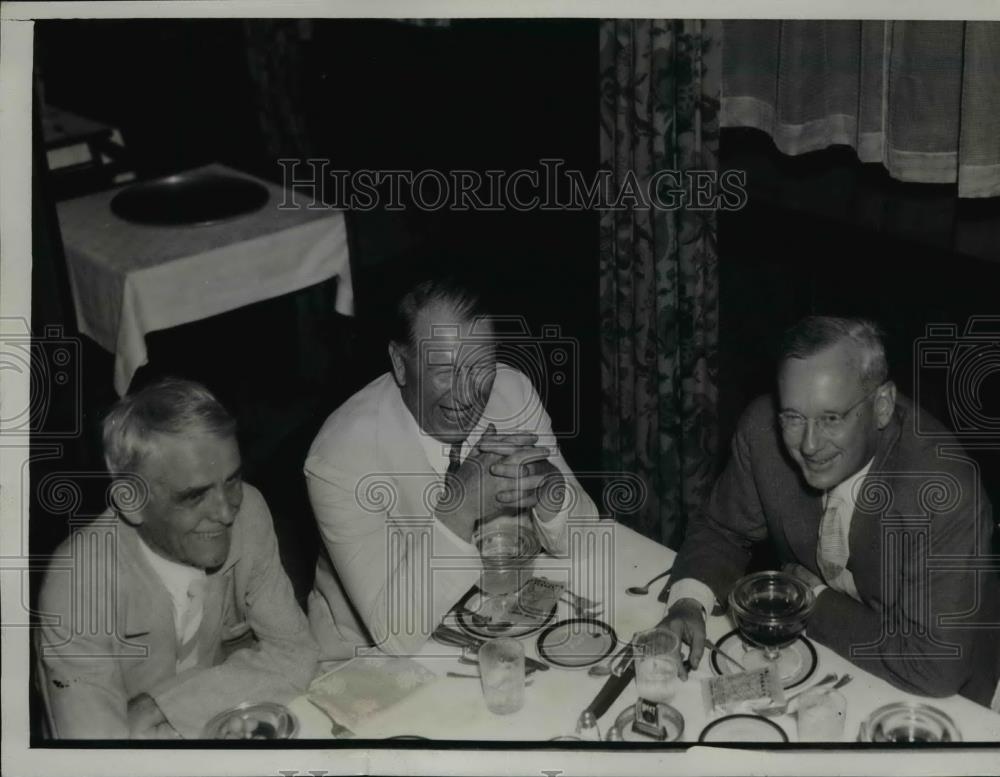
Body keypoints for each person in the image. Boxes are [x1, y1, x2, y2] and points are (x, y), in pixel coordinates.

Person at [660, 316, 998, 705]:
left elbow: (933, 665)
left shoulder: (944, 489)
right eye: (793, 417)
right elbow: (722, 529)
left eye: (831, 418)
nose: (808, 444)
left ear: (883, 405)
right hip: (830, 657)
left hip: (950, 692)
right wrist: (689, 602)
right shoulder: (762, 432)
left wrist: (811, 598)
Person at [305, 277, 598, 658]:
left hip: (493, 622)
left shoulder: (512, 393)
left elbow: (584, 539)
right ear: (399, 363)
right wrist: (459, 508)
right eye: (444, 371)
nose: (468, 394)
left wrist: (547, 487)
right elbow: (395, 634)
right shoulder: (338, 458)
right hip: (366, 655)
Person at [37, 379, 318, 739]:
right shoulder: (77, 580)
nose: (226, 511)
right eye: (194, 495)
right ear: (131, 501)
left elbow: (296, 653)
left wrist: (160, 706)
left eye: (231, 480)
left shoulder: (249, 512)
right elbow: (95, 753)